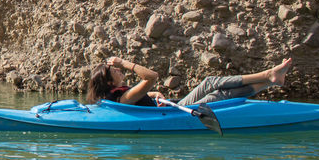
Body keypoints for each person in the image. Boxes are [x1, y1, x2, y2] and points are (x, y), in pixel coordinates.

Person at [86, 56, 292, 106]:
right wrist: (124, 62)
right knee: (218, 94)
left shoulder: (121, 93)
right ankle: (270, 78)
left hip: (169, 107)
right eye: (112, 70)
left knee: (210, 82)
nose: (116, 69)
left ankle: (270, 76)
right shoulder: (123, 97)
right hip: (169, 115)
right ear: (110, 83)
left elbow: (142, 96)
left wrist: (151, 95)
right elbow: (151, 76)